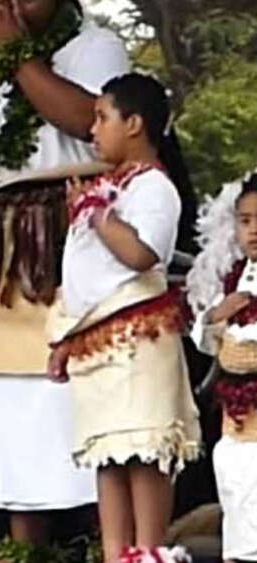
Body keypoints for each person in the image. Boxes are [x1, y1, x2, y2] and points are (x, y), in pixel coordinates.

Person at [0, 0, 130, 554]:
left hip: (74, 232)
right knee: (13, 423)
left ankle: (104, 545)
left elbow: (90, 124)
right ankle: (27, 549)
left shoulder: (96, 46)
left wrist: (16, 56)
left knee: (88, 409)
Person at [47, 73, 200, 563]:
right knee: (108, 458)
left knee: (143, 453)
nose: (92, 130)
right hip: (97, 346)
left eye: (101, 117)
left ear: (134, 124)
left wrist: (97, 216)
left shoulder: (155, 187)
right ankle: (115, 555)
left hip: (139, 346)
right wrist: (65, 338)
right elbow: (86, 281)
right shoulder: (106, 189)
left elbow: (140, 254)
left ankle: (148, 553)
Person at [188, 172, 257, 563]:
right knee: (238, 528)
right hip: (235, 428)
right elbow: (206, 337)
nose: (254, 230)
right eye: (245, 220)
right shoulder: (234, 280)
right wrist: (219, 313)